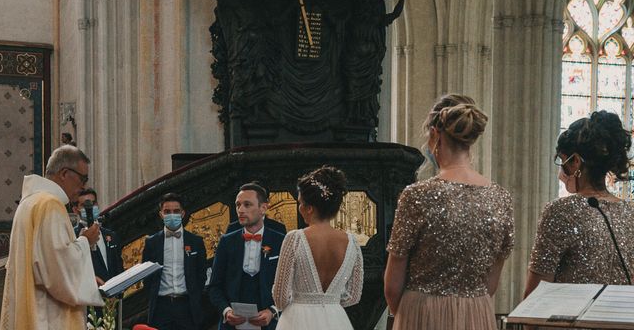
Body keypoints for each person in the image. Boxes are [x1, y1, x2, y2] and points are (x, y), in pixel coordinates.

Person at [384, 94, 514, 330]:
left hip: (422, 314)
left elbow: (392, 286)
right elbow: (491, 283)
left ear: (435, 134)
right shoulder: (501, 198)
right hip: (476, 314)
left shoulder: (417, 195)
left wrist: (408, 316)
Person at [524, 111, 634, 297]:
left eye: (562, 160)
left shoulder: (560, 211)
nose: (560, 172)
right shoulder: (629, 213)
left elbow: (535, 293)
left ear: (575, 161)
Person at [0, 145, 104, 329]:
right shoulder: (49, 204)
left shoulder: (30, 203)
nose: (83, 186)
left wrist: (85, 274)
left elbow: (45, 261)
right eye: (83, 178)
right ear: (64, 173)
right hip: (47, 318)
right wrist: (86, 241)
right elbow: (56, 272)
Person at [272, 166, 363, 330]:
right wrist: (330, 302)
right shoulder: (352, 243)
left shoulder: (294, 239)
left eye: (300, 203)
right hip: (335, 318)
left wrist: (303, 301)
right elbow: (354, 296)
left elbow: (280, 298)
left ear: (309, 208)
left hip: (297, 319)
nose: (299, 208)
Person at [208, 182, 286, 330]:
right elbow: (214, 287)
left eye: (247, 204)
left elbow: (289, 287)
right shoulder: (226, 241)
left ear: (263, 208)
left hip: (270, 325)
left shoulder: (281, 241)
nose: (240, 210)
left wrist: (272, 311)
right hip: (232, 325)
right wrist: (226, 311)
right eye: (238, 205)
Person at [142, 193, 208, 330]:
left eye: (176, 211)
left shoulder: (196, 242)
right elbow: (146, 276)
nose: (172, 215)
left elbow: (201, 274)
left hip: (187, 306)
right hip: (161, 307)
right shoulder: (151, 242)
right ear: (161, 214)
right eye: (167, 212)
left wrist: (194, 295)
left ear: (183, 213)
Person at [72, 188, 124, 286]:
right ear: (75, 209)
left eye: (93, 203)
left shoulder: (111, 235)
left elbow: (118, 267)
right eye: (85, 205)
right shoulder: (72, 236)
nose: (90, 208)